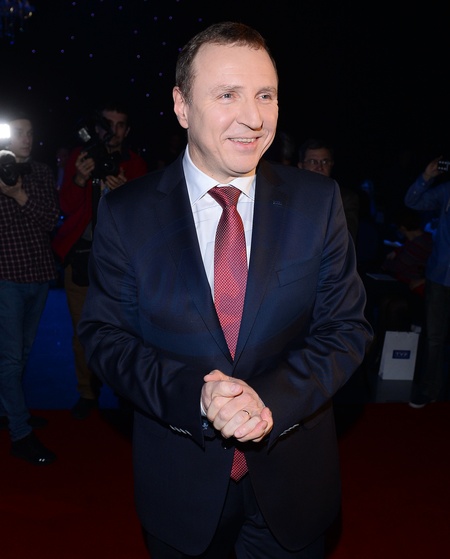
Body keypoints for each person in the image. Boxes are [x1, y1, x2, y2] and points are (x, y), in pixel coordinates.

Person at [78, 22, 373, 559]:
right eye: (227, 95)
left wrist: (270, 401)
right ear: (182, 106)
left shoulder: (318, 201)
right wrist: (195, 397)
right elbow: (105, 337)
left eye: (266, 95)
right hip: (181, 485)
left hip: (294, 482)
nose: (254, 118)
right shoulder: (125, 213)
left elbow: (346, 328)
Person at [51, 100, 148, 419]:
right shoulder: (81, 158)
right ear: (96, 128)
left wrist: (126, 191)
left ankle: (122, 390)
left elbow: (144, 217)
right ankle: (87, 392)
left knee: (124, 330)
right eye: (108, 124)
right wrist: (79, 180)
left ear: (127, 131)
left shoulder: (134, 164)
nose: (114, 132)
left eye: (120, 125)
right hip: (81, 255)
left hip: (120, 263)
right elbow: (65, 207)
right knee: (83, 331)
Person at [0, 109, 59, 465]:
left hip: (38, 274)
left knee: (21, 354)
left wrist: (19, 194)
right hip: (6, 278)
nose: (27, 138)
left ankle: (9, 410)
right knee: (9, 359)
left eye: (30, 132)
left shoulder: (41, 171)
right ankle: (20, 433)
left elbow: (50, 220)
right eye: (19, 132)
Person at [404, 155, 450, 408]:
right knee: (434, 337)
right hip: (439, 276)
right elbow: (412, 201)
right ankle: (430, 389)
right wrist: (427, 176)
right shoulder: (446, 190)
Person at [298, 138, 360, 242]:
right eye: (313, 162)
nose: (320, 167)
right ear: (301, 166)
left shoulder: (345, 198)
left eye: (325, 161)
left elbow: (346, 238)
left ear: (331, 164)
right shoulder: (292, 194)